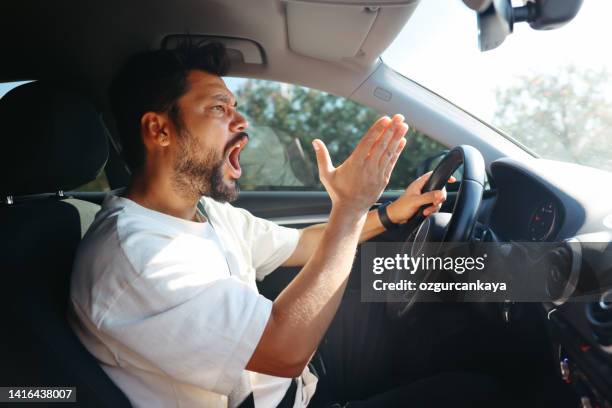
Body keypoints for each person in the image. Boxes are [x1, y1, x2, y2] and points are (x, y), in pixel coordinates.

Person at [68, 41, 495, 407]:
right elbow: (284, 350)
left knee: (421, 288)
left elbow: (303, 245)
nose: (241, 123)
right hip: (284, 384)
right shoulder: (134, 259)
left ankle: (539, 281)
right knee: (478, 395)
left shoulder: (205, 212)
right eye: (219, 108)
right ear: (158, 129)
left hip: (297, 384)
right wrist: (347, 208)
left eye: (235, 108)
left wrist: (388, 213)